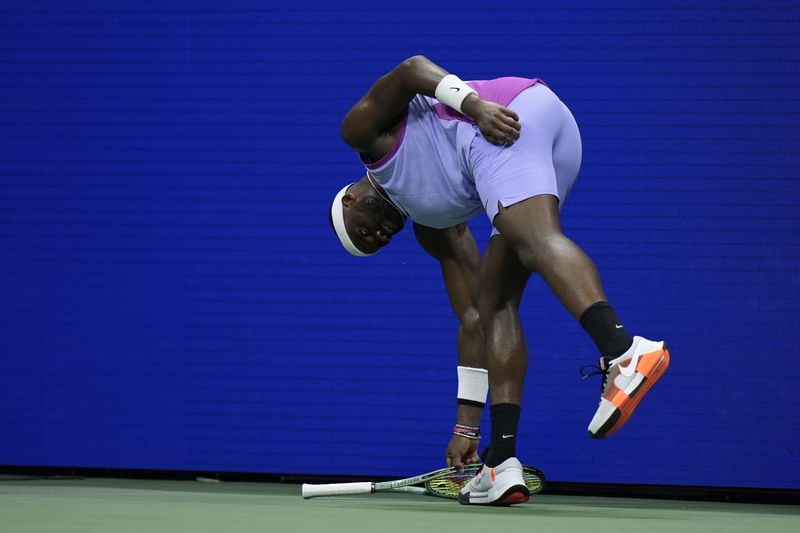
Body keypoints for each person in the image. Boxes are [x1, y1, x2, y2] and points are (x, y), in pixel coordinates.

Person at [329, 55, 670, 506]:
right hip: (550, 136)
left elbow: (410, 70)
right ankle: (501, 462)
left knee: (535, 240)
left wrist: (473, 106)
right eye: (376, 244)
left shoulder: (363, 136)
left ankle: (623, 351)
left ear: (350, 200)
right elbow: (472, 317)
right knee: (496, 301)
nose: (380, 235)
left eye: (364, 231)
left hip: (502, 119)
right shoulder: (435, 227)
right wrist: (465, 426)